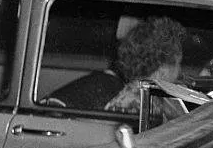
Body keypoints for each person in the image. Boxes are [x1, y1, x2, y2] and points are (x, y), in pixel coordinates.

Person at [44, 16, 185, 112]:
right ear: (162, 71)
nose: (180, 72)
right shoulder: (143, 106)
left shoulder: (130, 94)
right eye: (178, 63)